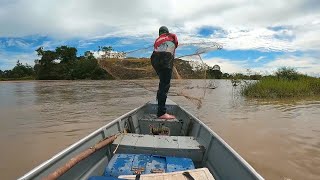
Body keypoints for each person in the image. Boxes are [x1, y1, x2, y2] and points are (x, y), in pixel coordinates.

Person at [150, 26, 178, 119]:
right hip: (165, 58)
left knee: (162, 83)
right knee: (165, 85)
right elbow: (175, 45)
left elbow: (158, 49)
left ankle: (159, 104)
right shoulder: (172, 36)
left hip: (154, 59)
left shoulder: (157, 39)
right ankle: (161, 113)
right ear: (167, 32)